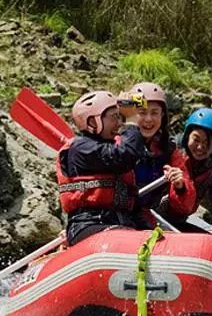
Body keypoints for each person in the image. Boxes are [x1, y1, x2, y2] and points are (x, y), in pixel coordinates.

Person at [56, 90, 150, 245]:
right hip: (89, 225)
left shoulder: (111, 146)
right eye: (114, 117)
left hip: (122, 224)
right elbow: (124, 157)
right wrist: (131, 121)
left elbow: (133, 151)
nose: (120, 123)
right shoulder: (80, 148)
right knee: (126, 238)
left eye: (120, 117)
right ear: (93, 122)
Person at [123, 82, 195, 221]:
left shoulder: (169, 151)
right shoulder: (116, 145)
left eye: (155, 113)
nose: (149, 119)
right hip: (118, 217)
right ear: (131, 116)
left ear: (162, 117)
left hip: (148, 217)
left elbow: (186, 207)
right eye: (142, 112)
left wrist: (180, 187)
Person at [160, 107, 212, 232]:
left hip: (179, 221)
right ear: (187, 137)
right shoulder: (169, 150)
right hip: (153, 215)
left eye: (207, 142)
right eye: (196, 139)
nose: (200, 147)